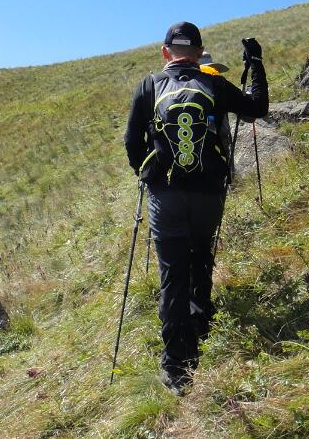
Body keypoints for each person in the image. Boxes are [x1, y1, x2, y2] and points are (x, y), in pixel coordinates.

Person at [124, 21, 268, 394]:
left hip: (166, 195)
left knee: (173, 273)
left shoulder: (149, 85)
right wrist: (255, 65)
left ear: (165, 53)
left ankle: (176, 366)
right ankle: (201, 324)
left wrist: (149, 171)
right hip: (208, 191)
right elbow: (256, 109)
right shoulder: (214, 83)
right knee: (201, 254)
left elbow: (131, 142)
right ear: (200, 50)